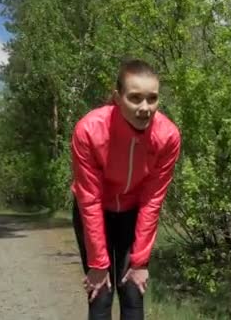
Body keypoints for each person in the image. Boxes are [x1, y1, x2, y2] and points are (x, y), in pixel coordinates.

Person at [70, 58, 181, 320]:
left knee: (132, 290)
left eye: (152, 98)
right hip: (95, 211)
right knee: (101, 291)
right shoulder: (89, 129)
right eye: (135, 98)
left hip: (133, 212)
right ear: (117, 97)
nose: (145, 108)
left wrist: (140, 262)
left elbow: (152, 200)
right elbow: (90, 199)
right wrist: (98, 264)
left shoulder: (168, 136)